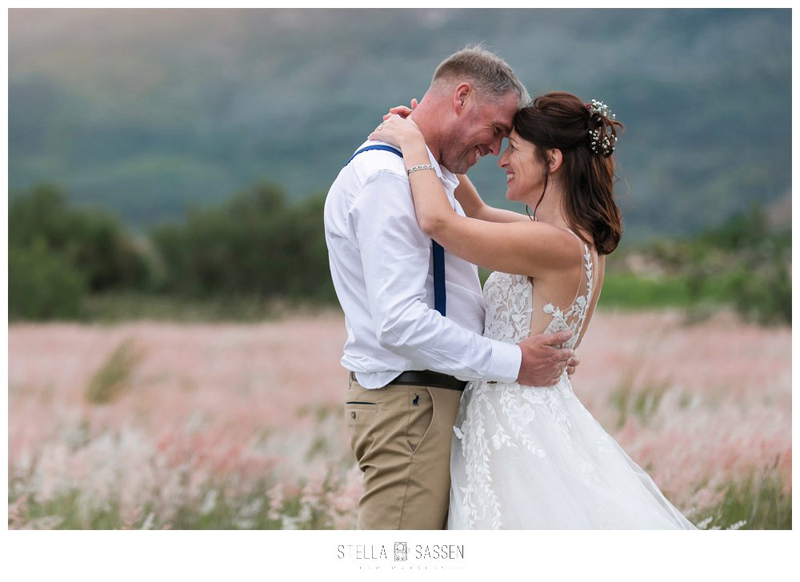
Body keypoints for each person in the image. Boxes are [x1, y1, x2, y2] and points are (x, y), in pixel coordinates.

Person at [369, 91, 696, 529]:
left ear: (553, 160)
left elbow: (440, 223)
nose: (501, 160)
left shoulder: (553, 244)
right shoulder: (563, 236)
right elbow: (476, 210)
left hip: (513, 422)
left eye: (515, 149)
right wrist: (429, 139)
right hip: (522, 408)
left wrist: (410, 145)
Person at [323, 46, 579, 530]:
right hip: (410, 406)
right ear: (462, 97)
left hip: (437, 401)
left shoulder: (426, 176)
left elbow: (473, 218)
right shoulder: (387, 180)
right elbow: (399, 322)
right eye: (498, 130)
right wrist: (516, 361)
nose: (495, 150)